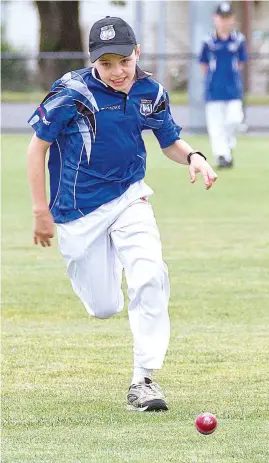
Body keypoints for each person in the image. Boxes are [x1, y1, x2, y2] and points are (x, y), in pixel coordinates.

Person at [27, 16, 217, 412]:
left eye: (124, 61)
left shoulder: (150, 90)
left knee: (150, 274)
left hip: (129, 196)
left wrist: (194, 157)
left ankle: (143, 380)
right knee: (104, 307)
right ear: (93, 60)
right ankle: (108, 261)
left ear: (137, 54)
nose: (117, 71)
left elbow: (169, 141)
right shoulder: (72, 92)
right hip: (78, 212)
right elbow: (36, 149)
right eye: (106, 63)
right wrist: (39, 210)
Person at [199, 2, 248, 168]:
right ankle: (222, 155)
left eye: (227, 18)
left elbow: (241, 63)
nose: (224, 21)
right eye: (221, 18)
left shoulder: (239, 40)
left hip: (233, 89)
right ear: (215, 18)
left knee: (234, 120)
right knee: (215, 125)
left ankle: (228, 145)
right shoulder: (209, 41)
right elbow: (203, 64)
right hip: (214, 90)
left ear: (232, 19)